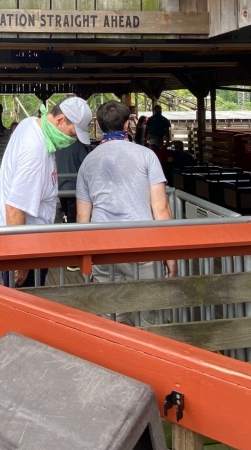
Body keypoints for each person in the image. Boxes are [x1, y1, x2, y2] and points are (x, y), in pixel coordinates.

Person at [76, 100, 177, 326]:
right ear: (126, 125)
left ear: (100, 126)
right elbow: (161, 208)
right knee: (149, 314)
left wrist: (86, 258)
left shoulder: (88, 162)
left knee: (111, 316)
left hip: (103, 248)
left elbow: (82, 218)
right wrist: (170, 254)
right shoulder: (146, 156)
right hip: (142, 245)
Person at [0, 97, 92, 287]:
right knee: (24, 311)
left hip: (24, 242)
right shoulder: (35, 151)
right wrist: (21, 262)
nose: (72, 139)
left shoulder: (30, 123)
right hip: (25, 249)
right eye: (73, 133)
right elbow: (14, 208)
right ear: (60, 119)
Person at [56, 136, 89, 224]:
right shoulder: (77, 145)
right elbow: (86, 164)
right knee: (72, 219)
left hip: (59, 186)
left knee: (66, 213)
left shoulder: (57, 144)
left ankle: (65, 218)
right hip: (73, 187)